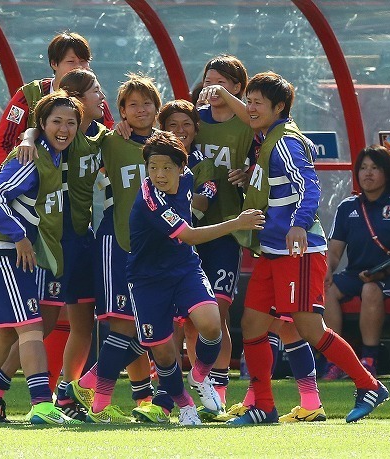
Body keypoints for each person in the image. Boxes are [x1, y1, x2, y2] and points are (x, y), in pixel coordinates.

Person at [210, 71, 389, 424]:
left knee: (309, 328)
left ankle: (368, 384)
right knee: (252, 323)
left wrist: (297, 225)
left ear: (279, 108)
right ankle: (263, 405)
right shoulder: (267, 137)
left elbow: (310, 187)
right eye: (249, 101)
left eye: (257, 103)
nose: (250, 108)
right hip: (272, 251)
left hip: (298, 251)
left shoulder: (286, 141)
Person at [0, 68, 109, 422]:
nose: (102, 97)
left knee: (84, 321)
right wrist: (30, 134)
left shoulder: (104, 137)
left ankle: (67, 396)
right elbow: (39, 125)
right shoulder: (51, 139)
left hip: (83, 238)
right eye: (96, 91)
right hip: (51, 236)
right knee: (40, 322)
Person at [0, 91, 83, 426]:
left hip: (0, 249)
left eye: (71, 122)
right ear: (42, 123)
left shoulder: (50, 154)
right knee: (30, 327)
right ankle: (41, 405)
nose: (64, 128)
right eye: (56, 121)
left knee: (7, 332)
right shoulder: (32, 156)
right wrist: (20, 237)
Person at [128, 130, 265, 425]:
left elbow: (208, 188)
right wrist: (236, 223)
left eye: (166, 167)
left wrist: (243, 173)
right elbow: (188, 235)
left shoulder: (190, 176)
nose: (159, 174)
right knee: (164, 355)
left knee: (212, 324)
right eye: (153, 168)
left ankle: (200, 375)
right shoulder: (150, 199)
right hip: (147, 280)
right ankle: (185, 404)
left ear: (181, 168)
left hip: (185, 269)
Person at [68, 73, 165, 424]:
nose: (141, 110)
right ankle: (100, 403)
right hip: (115, 241)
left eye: (147, 103)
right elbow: (72, 135)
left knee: (146, 324)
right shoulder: (110, 140)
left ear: (158, 107)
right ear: (121, 111)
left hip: (153, 248)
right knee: (123, 324)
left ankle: (93, 385)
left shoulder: (168, 145)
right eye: (132, 104)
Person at [185, 55, 256, 414]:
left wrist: (249, 172)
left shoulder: (246, 125)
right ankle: (187, 390)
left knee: (220, 312)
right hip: (188, 228)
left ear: (239, 88)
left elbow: (263, 152)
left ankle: (220, 391)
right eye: (207, 80)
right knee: (190, 317)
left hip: (228, 229)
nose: (212, 88)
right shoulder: (195, 122)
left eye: (222, 82)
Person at [323, 145, 390, 379]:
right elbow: (334, 252)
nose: (368, 173)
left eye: (375, 168)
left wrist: (380, 274)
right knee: (328, 290)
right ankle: (335, 359)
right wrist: (326, 270)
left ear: (387, 173)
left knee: (370, 288)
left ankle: (369, 360)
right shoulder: (347, 207)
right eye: (363, 168)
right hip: (356, 273)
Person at [0, 31, 114, 167]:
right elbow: (1, 145)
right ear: (54, 64)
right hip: (38, 181)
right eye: (71, 61)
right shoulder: (29, 95)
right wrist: (16, 176)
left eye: (84, 61)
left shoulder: (95, 99)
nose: (79, 67)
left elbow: (110, 142)